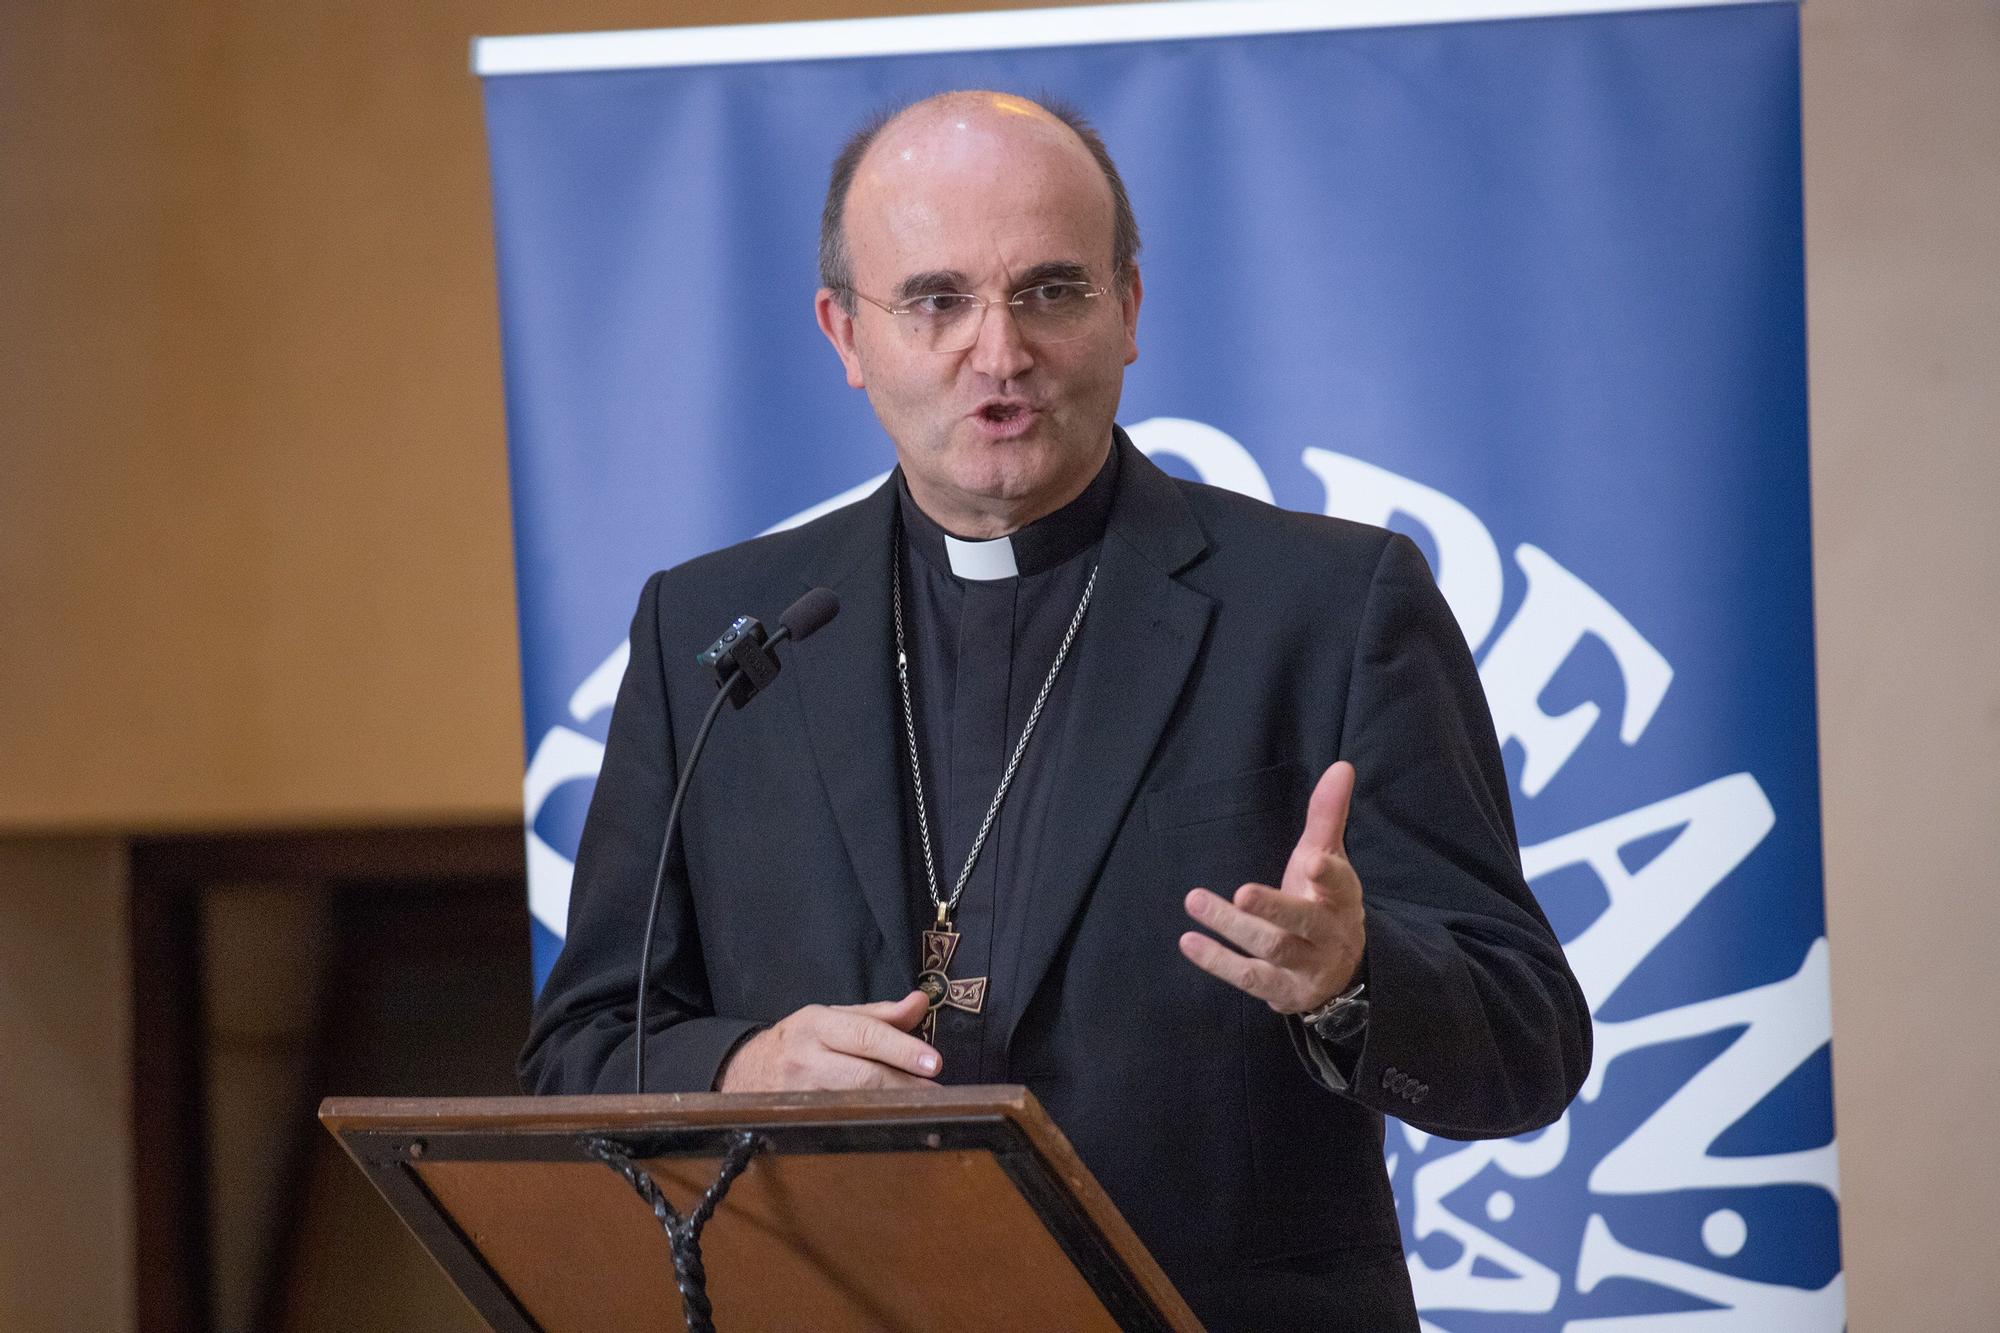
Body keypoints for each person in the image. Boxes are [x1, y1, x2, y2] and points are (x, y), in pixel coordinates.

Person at [521, 91, 1590, 1331]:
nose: (998, 353)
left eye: (1049, 291)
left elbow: (1525, 1044)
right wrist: (748, 1069)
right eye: (935, 300)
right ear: (843, 333)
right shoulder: (710, 636)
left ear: (1127, 309)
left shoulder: (1328, 607)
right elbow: (586, 1048)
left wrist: (1351, 977)